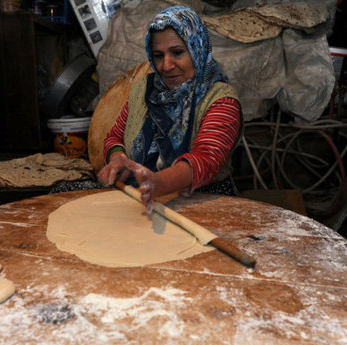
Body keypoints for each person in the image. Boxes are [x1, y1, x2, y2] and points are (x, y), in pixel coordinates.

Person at [97, 5, 242, 214]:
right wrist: (117, 157)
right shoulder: (144, 91)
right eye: (158, 55)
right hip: (141, 196)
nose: (166, 66)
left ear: (197, 47)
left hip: (203, 201)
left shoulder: (221, 100)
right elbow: (115, 137)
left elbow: (206, 159)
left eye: (177, 52)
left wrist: (159, 183)